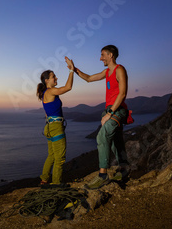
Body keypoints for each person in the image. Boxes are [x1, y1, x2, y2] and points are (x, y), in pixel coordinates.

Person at [74, 45, 130, 189]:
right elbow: (89, 78)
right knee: (115, 141)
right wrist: (74, 69)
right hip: (110, 111)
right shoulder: (107, 72)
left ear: (111, 55)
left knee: (101, 137)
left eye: (102, 55)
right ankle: (124, 169)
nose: (100, 58)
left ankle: (103, 175)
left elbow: (122, 93)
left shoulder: (119, 69)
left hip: (117, 111)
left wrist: (110, 113)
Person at [36, 56, 75, 185]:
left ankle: (44, 180)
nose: (56, 78)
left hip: (49, 127)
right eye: (54, 77)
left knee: (52, 155)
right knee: (60, 159)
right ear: (47, 80)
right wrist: (71, 70)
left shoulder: (46, 93)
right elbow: (68, 87)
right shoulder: (51, 91)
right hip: (56, 128)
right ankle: (56, 185)